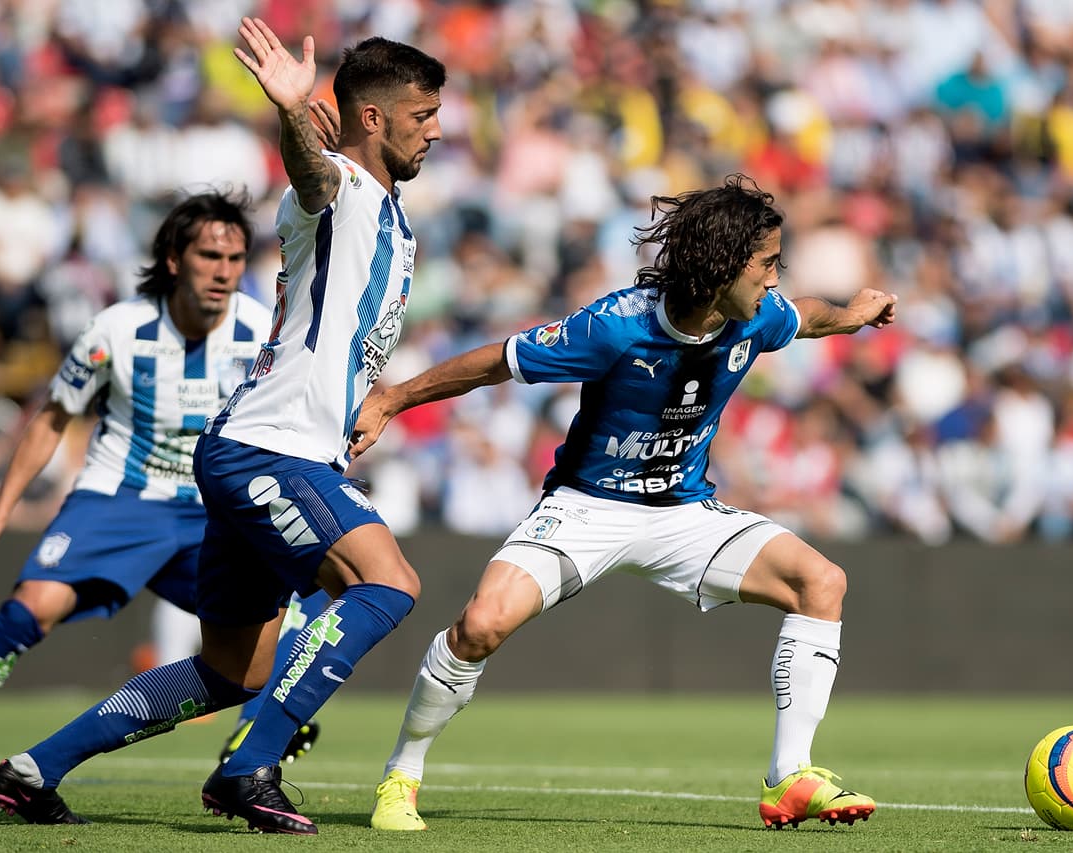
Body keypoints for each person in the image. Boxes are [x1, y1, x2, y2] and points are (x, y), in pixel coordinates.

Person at [0, 17, 445, 835]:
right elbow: (312, 174)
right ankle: (248, 767)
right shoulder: (338, 187)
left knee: (233, 668)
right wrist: (288, 112)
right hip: (269, 449)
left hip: (261, 451)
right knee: (388, 584)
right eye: (423, 115)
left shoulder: (388, 211)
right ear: (373, 118)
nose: (438, 130)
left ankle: (31, 769)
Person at [352, 174, 898, 832]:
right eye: (766, 265)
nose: (774, 280)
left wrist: (857, 312)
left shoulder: (759, 316)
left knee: (822, 581)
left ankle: (791, 775)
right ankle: (401, 773)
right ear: (723, 265)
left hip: (683, 512)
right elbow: (498, 361)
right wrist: (392, 398)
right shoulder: (616, 326)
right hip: (585, 508)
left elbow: (810, 316)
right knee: (480, 626)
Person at [0, 186, 327, 765]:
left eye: (234, 259)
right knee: (34, 604)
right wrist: (3, 508)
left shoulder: (260, 331)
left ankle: (253, 744)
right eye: (208, 257)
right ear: (175, 260)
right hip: (122, 496)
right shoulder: (115, 330)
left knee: (291, 616)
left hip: (214, 512)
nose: (223, 272)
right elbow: (53, 420)